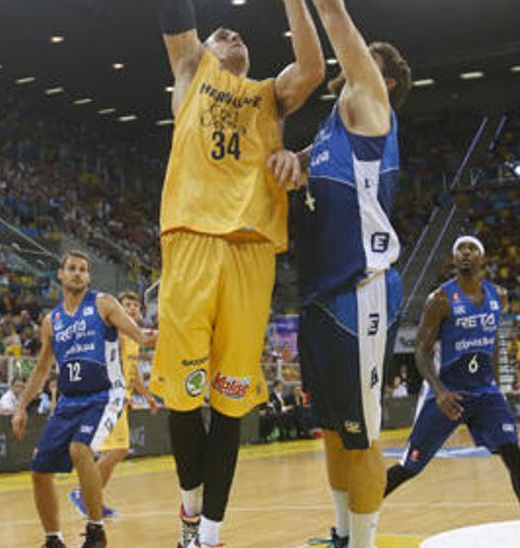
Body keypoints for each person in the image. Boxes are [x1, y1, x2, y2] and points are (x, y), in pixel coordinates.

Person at [153, 1, 324, 545]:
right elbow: (177, 15)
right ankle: (188, 509)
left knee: (230, 403)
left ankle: (208, 533)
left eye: (239, 35)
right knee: (183, 399)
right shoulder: (191, 70)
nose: (230, 32)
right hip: (191, 241)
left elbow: (314, 69)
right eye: (220, 31)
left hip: (252, 254)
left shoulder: (270, 95)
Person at [267, 2, 411, 544]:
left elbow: (334, 18)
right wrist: (291, 164)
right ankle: (342, 533)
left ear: (385, 80)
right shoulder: (331, 129)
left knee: (364, 438)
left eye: (363, 61)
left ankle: (364, 543)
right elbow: (301, 165)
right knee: (332, 430)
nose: (349, 65)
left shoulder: (373, 109)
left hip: (361, 292)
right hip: (319, 295)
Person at [384, 237, 520, 548]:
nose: (465, 252)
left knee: (513, 455)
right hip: (448, 393)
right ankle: (355, 521)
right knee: (409, 467)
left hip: (485, 393)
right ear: (453, 258)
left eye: (471, 248)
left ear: (482, 258)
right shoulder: (440, 299)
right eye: (459, 249)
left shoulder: (497, 295)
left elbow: (494, 342)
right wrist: (439, 390)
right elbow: (420, 351)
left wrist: (497, 387)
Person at [11, 251, 155, 548]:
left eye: (83, 269)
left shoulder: (104, 303)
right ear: (60, 275)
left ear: (88, 277)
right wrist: (21, 406)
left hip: (105, 395)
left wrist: (150, 336)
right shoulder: (52, 321)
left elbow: (139, 336)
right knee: (39, 471)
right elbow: (41, 369)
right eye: (72, 269)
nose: (78, 273)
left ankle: (96, 530)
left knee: (80, 450)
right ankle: (53, 539)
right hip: (68, 401)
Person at [68, 291, 161, 519]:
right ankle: (84, 495)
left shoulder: (132, 337)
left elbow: (133, 373)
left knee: (114, 453)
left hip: (121, 401)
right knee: (116, 451)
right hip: (109, 398)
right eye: (126, 305)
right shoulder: (115, 334)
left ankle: (94, 501)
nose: (130, 309)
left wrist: (147, 397)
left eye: (134, 306)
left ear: (140, 311)